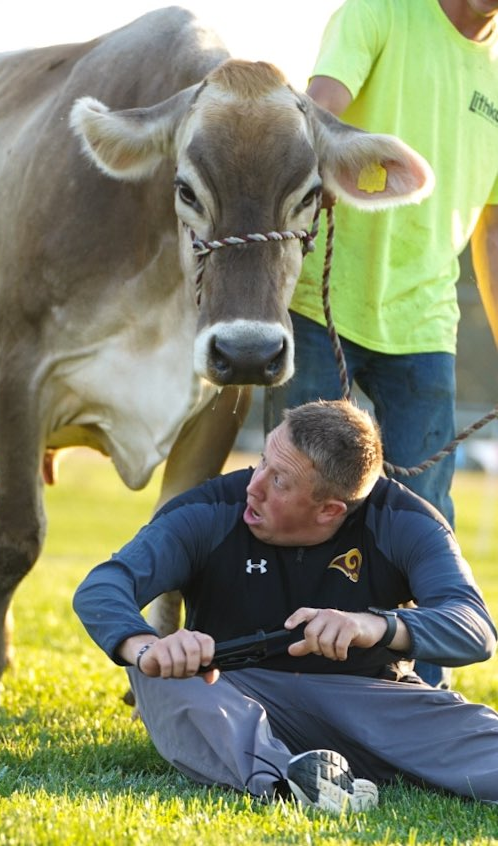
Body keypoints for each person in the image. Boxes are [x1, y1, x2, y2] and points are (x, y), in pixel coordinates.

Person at [73, 400, 498, 812]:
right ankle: (290, 782)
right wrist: (146, 646)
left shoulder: (405, 520)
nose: (253, 485)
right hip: (231, 694)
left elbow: (474, 629)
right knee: (161, 673)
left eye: (279, 480)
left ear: (330, 510)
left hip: (371, 704)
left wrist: (373, 626)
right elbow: (104, 585)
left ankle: (322, 773)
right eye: (262, 462)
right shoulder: (212, 508)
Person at [282, 0, 498, 688]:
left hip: (424, 322)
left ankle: (420, 692)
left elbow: (489, 230)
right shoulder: (376, 13)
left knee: (426, 514)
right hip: (320, 304)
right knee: (298, 496)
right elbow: (316, 110)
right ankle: (285, 669)